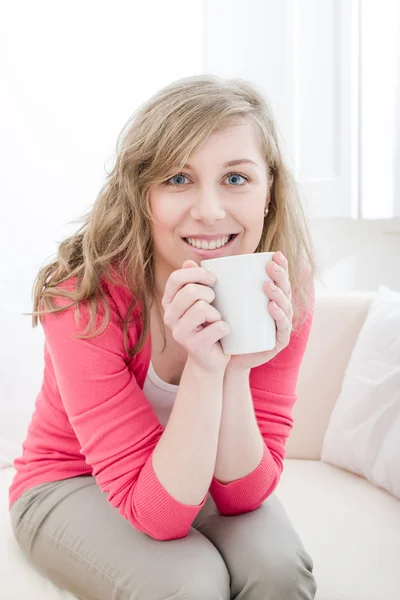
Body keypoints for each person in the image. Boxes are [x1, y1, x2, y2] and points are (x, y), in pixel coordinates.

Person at [9, 73, 319, 600]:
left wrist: (236, 370)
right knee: (190, 583)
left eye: (236, 178)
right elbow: (160, 517)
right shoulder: (83, 298)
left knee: (278, 569)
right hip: (69, 481)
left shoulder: (282, 290)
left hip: (189, 478)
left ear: (269, 192)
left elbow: (245, 493)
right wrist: (204, 368)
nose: (210, 211)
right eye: (178, 179)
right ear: (142, 194)